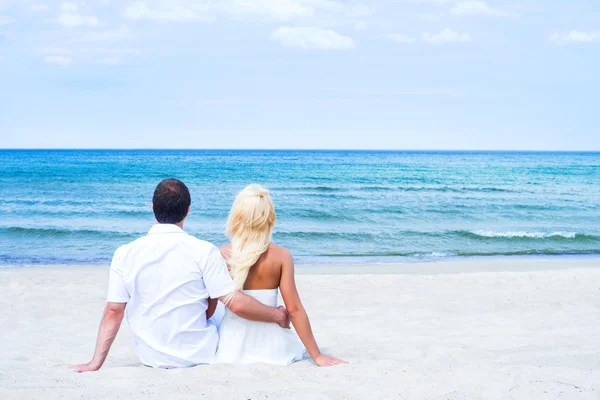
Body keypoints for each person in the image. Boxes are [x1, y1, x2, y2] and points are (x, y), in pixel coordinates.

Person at [70, 179, 290, 372]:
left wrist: (95, 363)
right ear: (187, 211)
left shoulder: (125, 253)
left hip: (151, 357)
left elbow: (113, 311)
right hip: (199, 354)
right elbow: (237, 304)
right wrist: (278, 315)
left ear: (153, 207)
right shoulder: (204, 250)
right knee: (224, 310)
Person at [214, 184, 347, 367]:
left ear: (236, 216)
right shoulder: (282, 256)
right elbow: (294, 309)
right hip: (274, 346)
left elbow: (209, 307)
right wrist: (316, 355)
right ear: (270, 218)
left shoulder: (220, 254)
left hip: (233, 345)